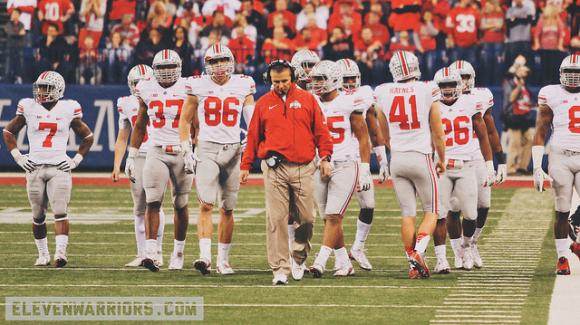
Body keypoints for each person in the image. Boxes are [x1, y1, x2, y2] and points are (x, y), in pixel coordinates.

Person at [240, 60, 333, 285]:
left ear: (292, 78)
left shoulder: (308, 99)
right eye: (275, 82)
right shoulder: (263, 104)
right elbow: (253, 136)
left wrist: (326, 157)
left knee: (308, 219)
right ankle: (280, 268)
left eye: (284, 81)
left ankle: (298, 256)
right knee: (277, 219)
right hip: (275, 168)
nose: (280, 85)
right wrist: (245, 165)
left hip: (303, 166)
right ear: (269, 81)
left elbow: (321, 130)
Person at [2, 71, 94, 267]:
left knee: (60, 212)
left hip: (59, 167)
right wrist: (18, 157)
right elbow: (8, 131)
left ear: (58, 89)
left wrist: (75, 160)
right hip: (34, 166)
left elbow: (88, 136)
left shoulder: (68, 108)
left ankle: (60, 254)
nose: (41, 92)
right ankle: (43, 254)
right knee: (38, 215)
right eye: (40, 87)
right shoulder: (28, 106)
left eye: (46, 88)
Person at [178, 44, 255, 275]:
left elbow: (252, 119)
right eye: (213, 62)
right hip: (208, 148)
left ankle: (223, 260)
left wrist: (250, 141)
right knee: (205, 203)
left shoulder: (243, 83)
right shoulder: (197, 85)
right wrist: (186, 149)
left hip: (233, 150)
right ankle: (204, 256)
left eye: (222, 60)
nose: (219, 66)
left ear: (231, 61)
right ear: (206, 65)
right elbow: (185, 120)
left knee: (228, 208)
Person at [374, 51, 446, 279]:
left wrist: (394, 145)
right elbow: (438, 131)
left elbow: (382, 132)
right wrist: (441, 158)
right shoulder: (428, 88)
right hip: (421, 156)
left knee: (407, 212)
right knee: (432, 210)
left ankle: (412, 264)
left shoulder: (383, 90)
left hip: (398, 158)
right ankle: (419, 252)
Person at [435, 60, 506, 272]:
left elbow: (490, 131)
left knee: (483, 204)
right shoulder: (438, 99)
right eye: (460, 77)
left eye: (466, 77)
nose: (463, 81)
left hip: (476, 155)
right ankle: (458, 249)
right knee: (454, 207)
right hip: (453, 156)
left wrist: (499, 160)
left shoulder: (481, 96)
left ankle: (471, 243)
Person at [125, 49, 193, 272]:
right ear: (154, 70)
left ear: (179, 67)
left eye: (169, 67)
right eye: (161, 68)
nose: (165, 72)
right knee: (152, 200)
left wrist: (194, 149)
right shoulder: (146, 87)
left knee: (180, 203)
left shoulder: (188, 86)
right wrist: (132, 155)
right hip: (156, 149)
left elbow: (198, 123)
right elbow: (140, 124)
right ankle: (151, 252)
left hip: (182, 150)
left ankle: (178, 252)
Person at [307, 60, 372, 278]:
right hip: (319, 164)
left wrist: (364, 168)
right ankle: (344, 262)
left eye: (321, 79)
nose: (316, 84)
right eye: (314, 79)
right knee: (328, 218)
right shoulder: (311, 102)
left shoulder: (349, 102)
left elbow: (363, 137)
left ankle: (320, 261)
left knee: (334, 215)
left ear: (334, 79)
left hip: (345, 163)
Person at [336, 58, 389, 271]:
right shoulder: (328, 97)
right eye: (345, 79)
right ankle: (338, 256)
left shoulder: (365, 94)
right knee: (334, 211)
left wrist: (383, 160)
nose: (349, 84)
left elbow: (374, 130)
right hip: (338, 158)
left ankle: (357, 247)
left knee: (368, 205)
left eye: (352, 79)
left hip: (360, 159)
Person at [112, 64, 165, 267]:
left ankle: (157, 252)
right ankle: (142, 253)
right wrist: (117, 164)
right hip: (138, 156)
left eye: (143, 83)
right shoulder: (125, 103)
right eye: (136, 83)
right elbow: (123, 136)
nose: (138, 87)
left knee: (155, 203)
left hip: (156, 153)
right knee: (139, 207)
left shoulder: (161, 96)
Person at [532, 54, 580, 275]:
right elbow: (541, 129)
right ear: (560, 74)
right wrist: (536, 166)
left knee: (567, 212)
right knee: (561, 209)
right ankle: (562, 258)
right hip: (560, 157)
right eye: (569, 73)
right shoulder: (550, 93)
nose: (572, 78)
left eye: (577, 73)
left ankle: (576, 235)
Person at [503, 58, 534, 176]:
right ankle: (510, 169)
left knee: (530, 139)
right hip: (513, 117)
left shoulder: (525, 85)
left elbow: (526, 101)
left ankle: (522, 167)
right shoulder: (510, 83)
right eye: (523, 71)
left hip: (525, 118)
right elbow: (511, 98)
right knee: (514, 143)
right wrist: (519, 86)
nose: (526, 73)